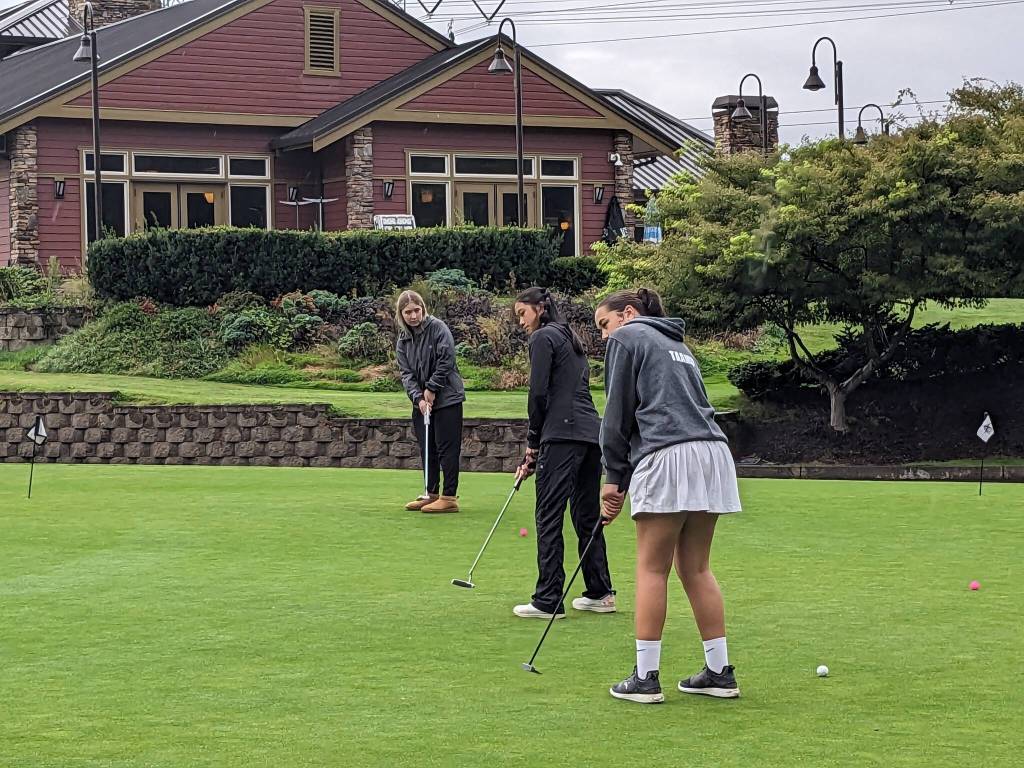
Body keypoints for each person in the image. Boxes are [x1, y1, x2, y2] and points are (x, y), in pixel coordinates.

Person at [595, 288, 742, 704]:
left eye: (604, 325)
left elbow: (617, 413)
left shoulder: (629, 337)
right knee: (695, 568)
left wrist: (612, 477)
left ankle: (645, 678)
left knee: (651, 568)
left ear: (627, 314)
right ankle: (719, 672)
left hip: (668, 454)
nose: (604, 337)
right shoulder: (678, 342)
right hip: (712, 452)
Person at [512, 287, 615, 620]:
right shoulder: (570, 337)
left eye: (522, 314)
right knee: (585, 515)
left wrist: (533, 441)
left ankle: (547, 600)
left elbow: (538, 392)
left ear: (541, 309)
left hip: (563, 434)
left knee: (548, 513)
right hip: (590, 436)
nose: (521, 322)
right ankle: (600, 592)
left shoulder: (543, 338)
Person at [395, 290, 466, 514]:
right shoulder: (403, 340)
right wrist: (418, 398)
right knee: (428, 447)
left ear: (423, 309)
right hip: (421, 402)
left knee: (447, 448)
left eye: (417, 310)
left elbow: (447, 359)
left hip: (448, 398)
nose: (413, 315)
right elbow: (406, 373)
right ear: (401, 314)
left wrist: (433, 388)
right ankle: (431, 493)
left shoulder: (438, 328)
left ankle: (449, 497)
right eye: (408, 312)